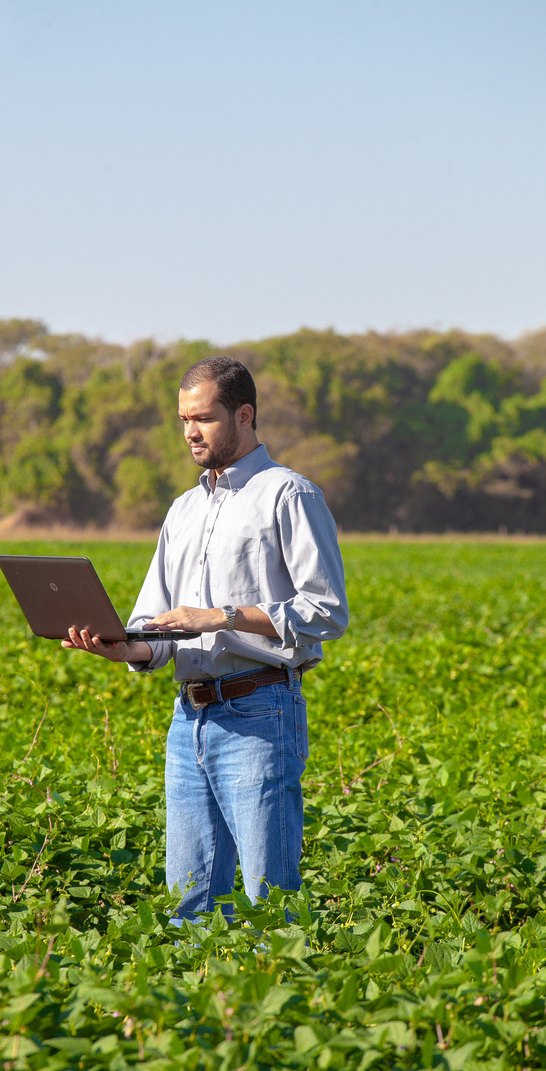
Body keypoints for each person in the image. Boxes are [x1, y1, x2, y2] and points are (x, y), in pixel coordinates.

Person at [63, 356, 348, 921]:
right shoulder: (183, 510)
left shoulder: (288, 495)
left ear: (244, 415)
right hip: (187, 721)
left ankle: (279, 1002)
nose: (190, 431)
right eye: (183, 419)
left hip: (261, 710)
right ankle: (199, 1006)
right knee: (187, 904)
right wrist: (127, 647)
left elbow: (326, 611)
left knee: (272, 902)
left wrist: (222, 616)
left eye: (204, 418)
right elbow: (160, 627)